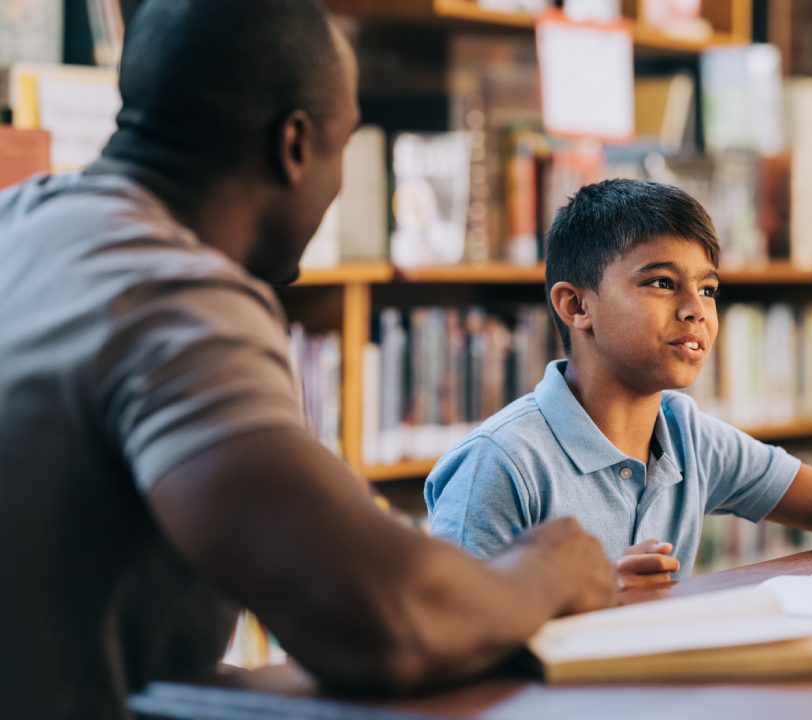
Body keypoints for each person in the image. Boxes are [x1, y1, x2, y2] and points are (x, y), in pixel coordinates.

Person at [0, 2, 616, 718]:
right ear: (295, 144)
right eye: (343, 146)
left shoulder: (23, 221)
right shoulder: (172, 294)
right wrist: (544, 572)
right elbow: (385, 622)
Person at [426, 178, 812, 589]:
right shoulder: (501, 466)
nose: (696, 311)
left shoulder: (685, 436)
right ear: (576, 306)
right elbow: (444, 628)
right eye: (661, 283)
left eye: (708, 289)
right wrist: (576, 597)